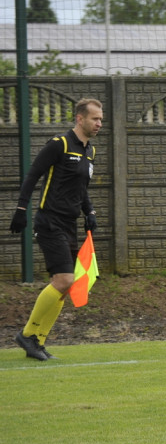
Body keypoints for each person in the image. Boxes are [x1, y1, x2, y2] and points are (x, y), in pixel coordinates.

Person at [9, 98, 103, 361]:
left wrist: (90, 211)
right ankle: (27, 335)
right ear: (79, 119)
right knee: (64, 281)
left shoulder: (90, 152)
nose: (99, 124)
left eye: (101, 120)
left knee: (64, 287)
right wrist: (21, 209)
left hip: (70, 225)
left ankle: (37, 341)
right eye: (95, 119)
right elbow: (33, 175)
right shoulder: (59, 144)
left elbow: (81, 189)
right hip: (50, 221)